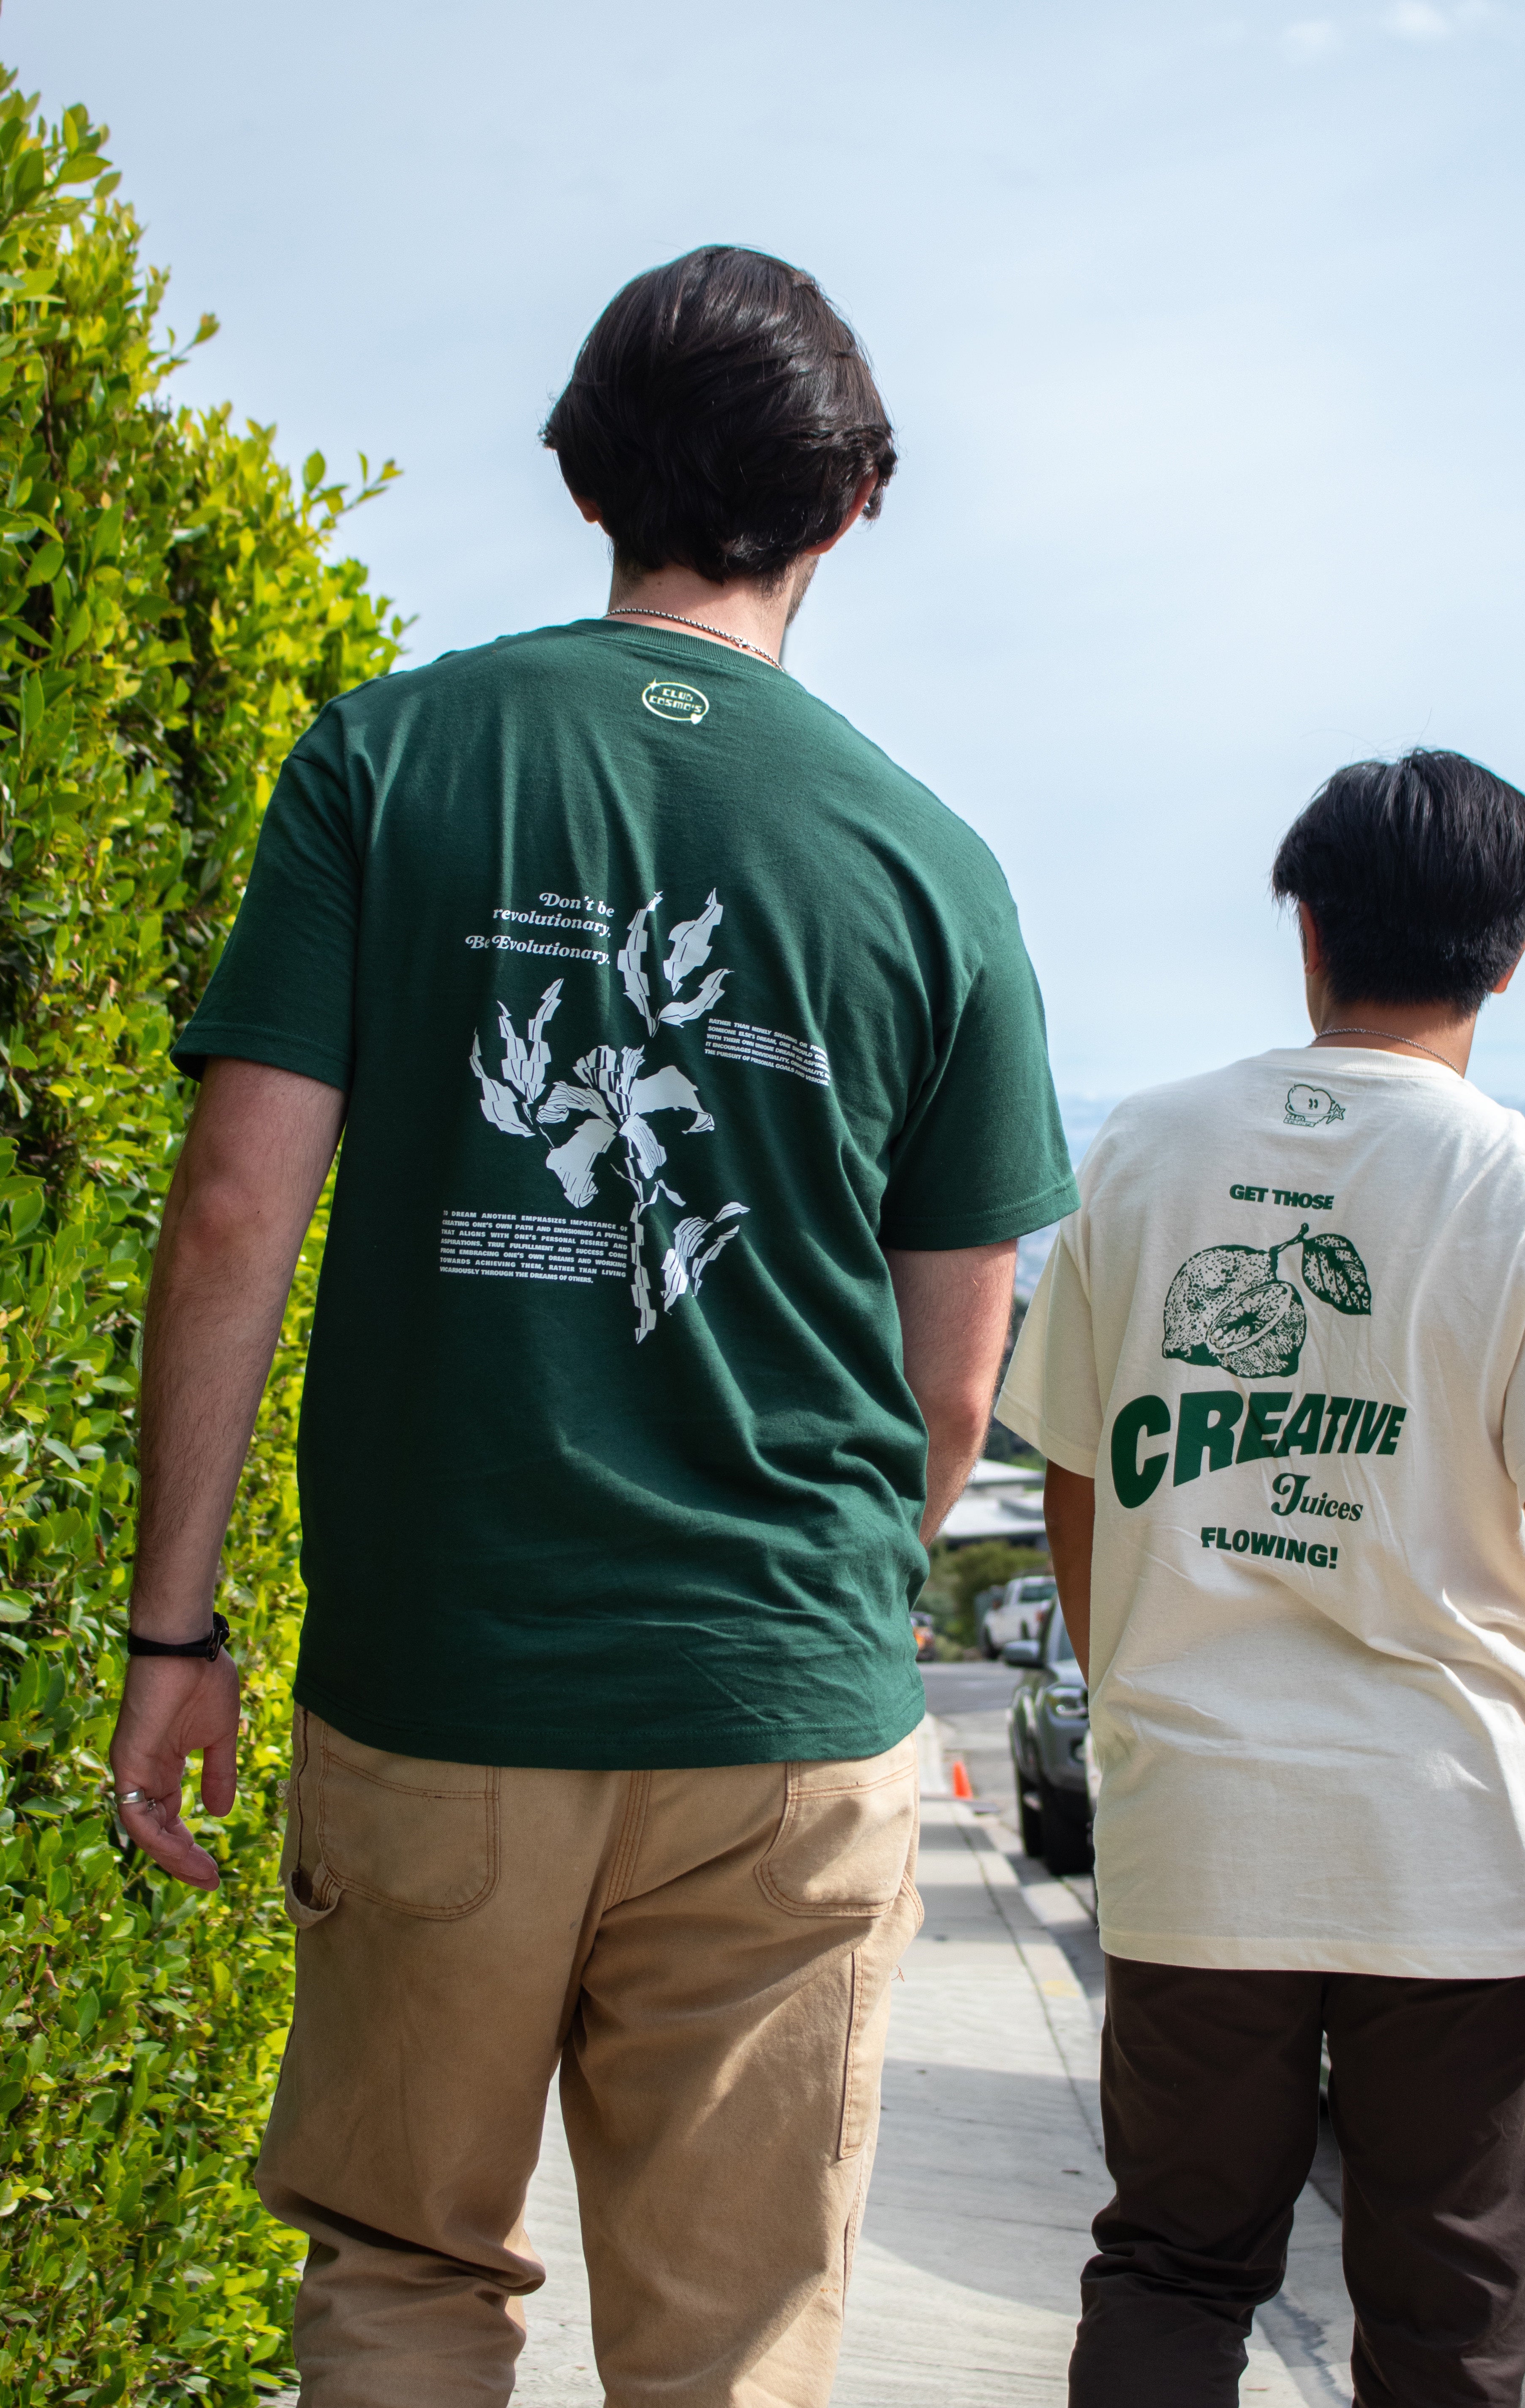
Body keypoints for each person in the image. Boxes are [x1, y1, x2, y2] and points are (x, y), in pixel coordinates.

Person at [107, 245, 1076, 2408]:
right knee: (728, 2346)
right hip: (779, 1717)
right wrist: (817, 1602)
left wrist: (175, 1637)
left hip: (440, 1683)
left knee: (395, 2271)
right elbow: (954, 1374)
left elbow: (233, 1214)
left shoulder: (389, 759)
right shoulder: (936, 870)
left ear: (581, 478)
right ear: (857, 499)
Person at [997, 750, 1525, 2408]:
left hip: (1199, 1826)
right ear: (1509, 956)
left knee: (1170, 2266)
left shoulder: (1145, 1156)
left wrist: (1132, 1718)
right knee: (1446, 2320)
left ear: (1302, 930)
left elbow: (1076, 1480)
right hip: (1453, 1844)